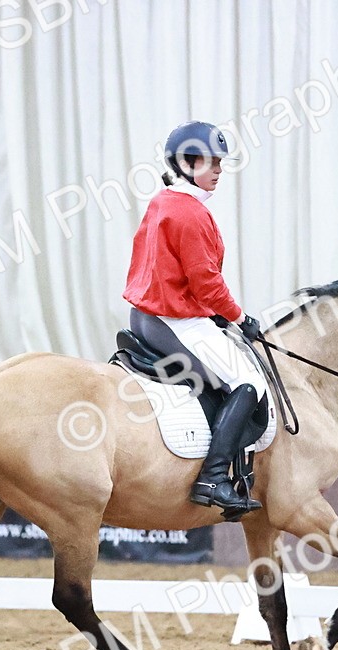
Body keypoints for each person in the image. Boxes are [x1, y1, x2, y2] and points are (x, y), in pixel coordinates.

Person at [122, 120, 265, 517]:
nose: (219, 169)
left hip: (148, 314)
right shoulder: (189, 213)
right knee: (249, 380)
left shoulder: (164, 201)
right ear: (186, 162)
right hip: (175, 320)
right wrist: (239, 318)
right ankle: (213, 477)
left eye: (220, 162)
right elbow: (207, 283)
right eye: (210, 162)